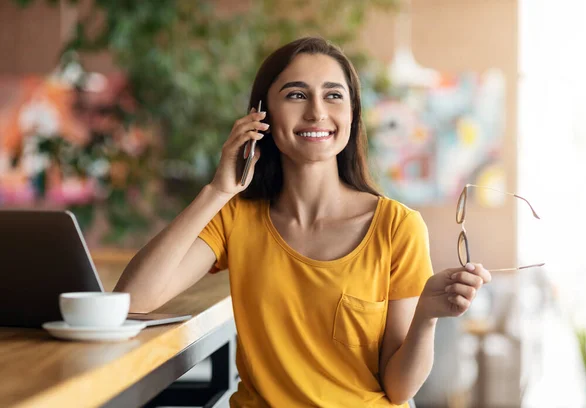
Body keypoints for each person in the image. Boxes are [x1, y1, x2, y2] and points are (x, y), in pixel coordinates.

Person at [115, 37, 491, 408]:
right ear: (261, 115)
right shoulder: (236, 217)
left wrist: (426, 316)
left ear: (352, 113)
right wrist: (217, 190)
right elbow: (132, 301)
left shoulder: (397, 226)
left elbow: (398, 389)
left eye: (333, 95)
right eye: (296, 95)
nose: (316, 112)